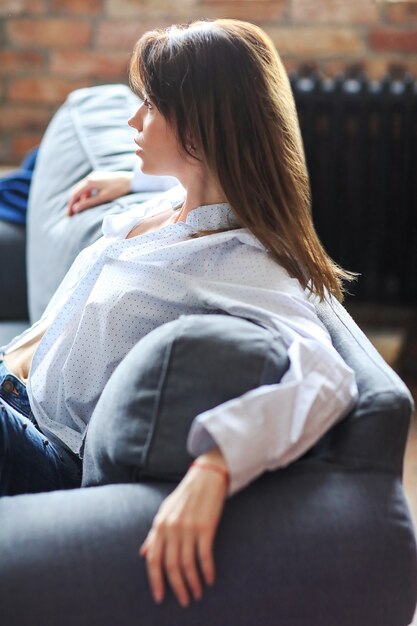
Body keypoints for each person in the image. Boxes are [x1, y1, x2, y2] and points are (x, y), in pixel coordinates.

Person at [0, 19, 358, 609]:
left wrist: (215, 466)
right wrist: (133, 176)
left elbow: (327, 377)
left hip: (48, 455)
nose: (132, 121)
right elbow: (194, 180)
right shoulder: (176, 204)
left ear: (201, 128)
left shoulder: (246, 264)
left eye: (149, 107)